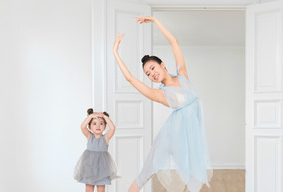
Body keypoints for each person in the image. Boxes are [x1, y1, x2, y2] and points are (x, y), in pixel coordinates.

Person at [113, 16, 213, 192]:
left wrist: (154, 20)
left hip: (191, 136)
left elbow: (174, 42)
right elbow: (129, 78)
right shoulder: (160, 94)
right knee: (147, 172)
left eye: (152, 68)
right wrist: (115, 52)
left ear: (162, 64)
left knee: (196, 174)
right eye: (148, 74)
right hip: (172, 135)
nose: (152, 74)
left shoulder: (183, 75)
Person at [74, 109, 120, 192]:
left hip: (102, 168)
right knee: (89, 188)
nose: (98, 126)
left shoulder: (105, 138)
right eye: (94, 124)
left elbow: (112, 128)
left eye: (101, 123)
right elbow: (82, 127)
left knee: (101, 189)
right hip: (89, 167)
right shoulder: (89, 136)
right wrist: (91, 116)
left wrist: (105, 117)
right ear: (90, 127)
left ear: (105, 127)